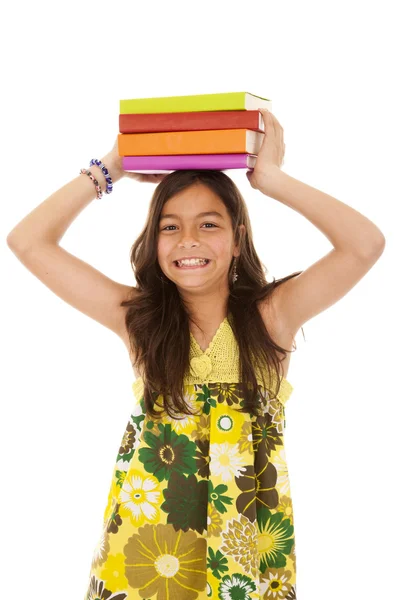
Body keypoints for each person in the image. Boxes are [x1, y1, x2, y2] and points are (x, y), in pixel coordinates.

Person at [6, 109, 385, 600]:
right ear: (154, 241)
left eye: (209, 224)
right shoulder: (139, 321)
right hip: (146, 547)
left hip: (245, 552)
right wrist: (113, 165)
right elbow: (27, 241)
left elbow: (365, 245)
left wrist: (271, 179)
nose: (188, 240)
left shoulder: (272, 316)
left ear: (237, 240)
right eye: (170, 227)